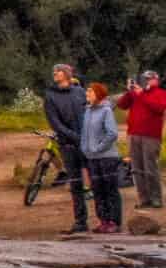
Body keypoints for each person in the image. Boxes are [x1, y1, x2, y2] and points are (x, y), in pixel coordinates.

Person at [44, 63, 90, 235]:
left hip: (87, 142)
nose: (55, 73)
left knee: (98, 180)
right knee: (76, 184)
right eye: (54, 71)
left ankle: (107, 220)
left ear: (67, 74)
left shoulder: (79, 91)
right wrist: (73, 136)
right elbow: (54, 122)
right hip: (68, 144)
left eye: (58, 71)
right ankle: (80, 221)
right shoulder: (50, 96)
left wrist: (87, 135)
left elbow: (88, 112)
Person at [82, 81, 125, 235]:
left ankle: (114, 221)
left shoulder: (106, 111)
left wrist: (98, 148)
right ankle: (104, 221)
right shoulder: (87, 111)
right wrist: (85, 149)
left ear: (98, 94)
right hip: (92, 158)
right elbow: (85, 134)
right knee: (97, 190)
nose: (87, 95)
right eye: (87, 92)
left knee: (110, 189)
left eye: (90, 92)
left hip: (107, 157)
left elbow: (112, 133)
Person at [122, 70, 165, 210]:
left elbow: (158, 108)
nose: (146, 81)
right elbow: (122, 105)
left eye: (148, 79)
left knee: (150, 167)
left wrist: (142, 95)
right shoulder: (136, 92)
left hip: (151, 136)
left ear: (156, 80)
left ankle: (156, 198)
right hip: (133, 134)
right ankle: (143, 198)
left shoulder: (161, 93)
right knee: (136, 169)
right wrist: (129, 92)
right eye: (144, 79)